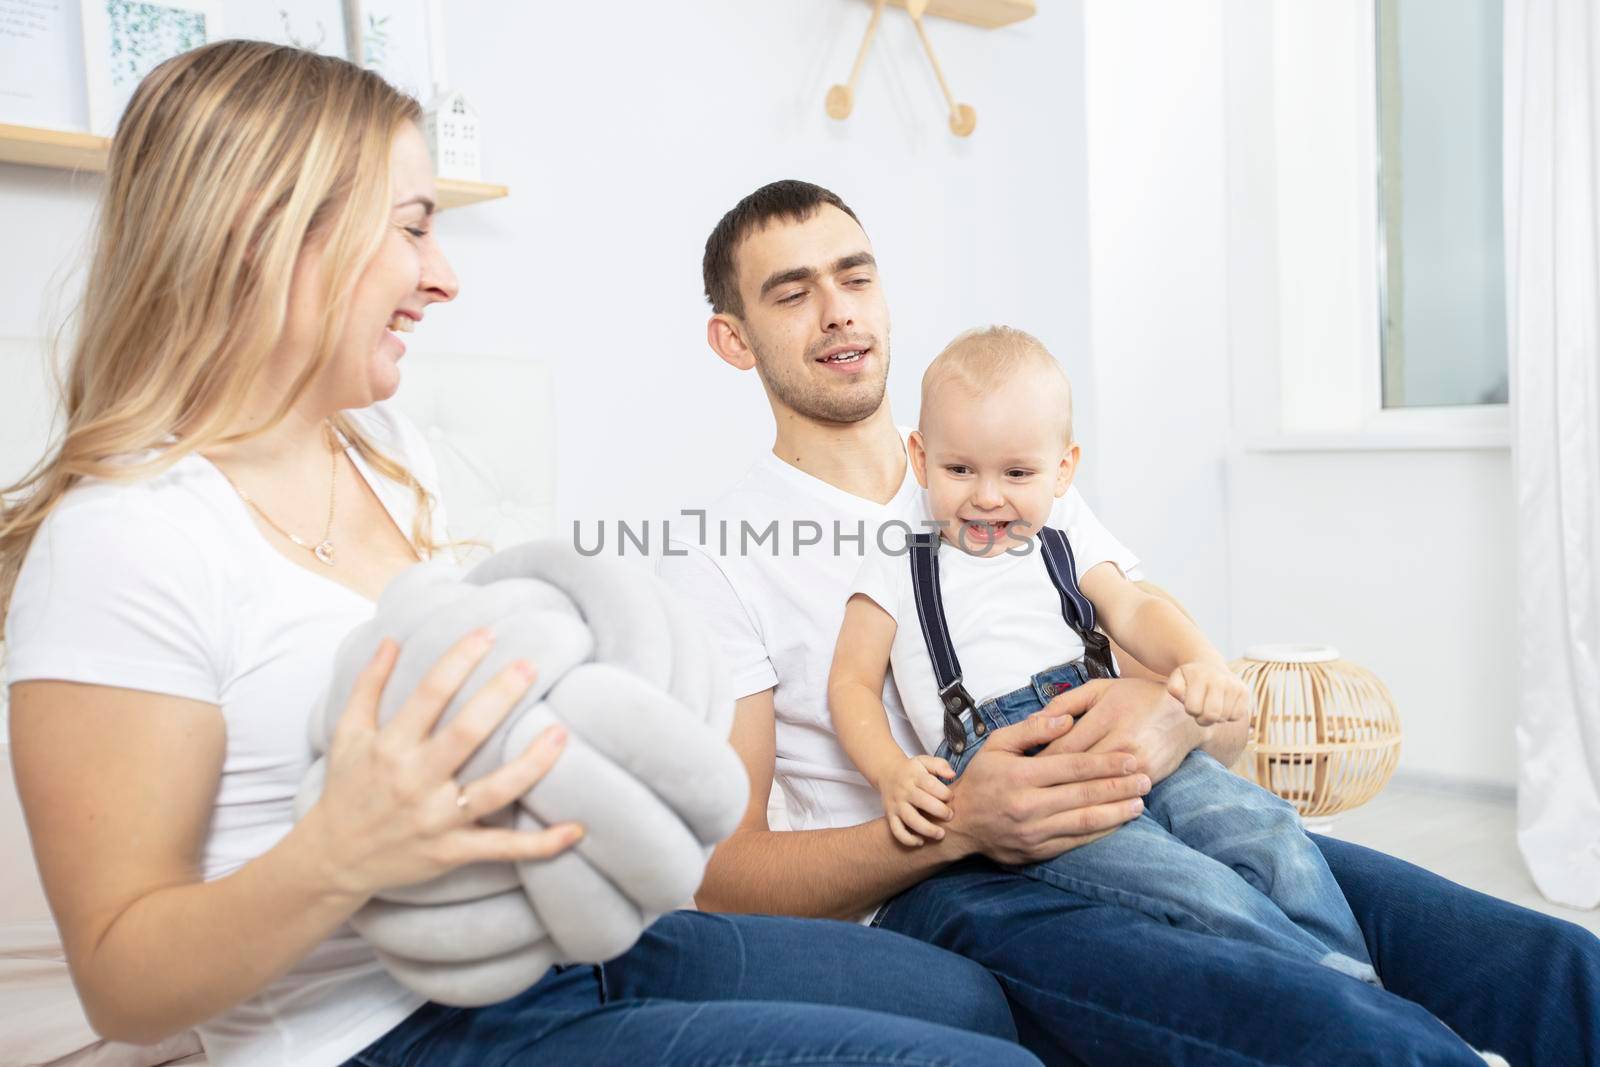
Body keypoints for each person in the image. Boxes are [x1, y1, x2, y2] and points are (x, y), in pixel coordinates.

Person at [0, 44, 1041, 1067]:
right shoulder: (123, 540)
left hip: (546, 947)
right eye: (412, 228)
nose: (443, 279)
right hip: (369, 1031)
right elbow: (122, 982)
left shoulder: (381, 454)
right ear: (273, 232)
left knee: (967, 996)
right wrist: (338, 853)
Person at [658, 178, 1600, 1065]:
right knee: (1338, 1022)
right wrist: (954, 827)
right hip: (947, 887)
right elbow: (721, 876)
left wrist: (1169, 716)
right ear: (733, 341)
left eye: (855, 275)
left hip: (1143, 807)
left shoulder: (999, 468)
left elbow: (1216, 711)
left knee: (1541, 956)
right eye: (792, 293)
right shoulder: (721, 559)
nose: (839, 310)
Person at [828, 324, 1379, 987]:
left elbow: (1132, 607)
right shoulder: (897, 550)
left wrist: (1201, 661)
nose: (986, 495)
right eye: (959, 469)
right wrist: (892, 772)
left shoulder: (1067, 525)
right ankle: (1362, 1013)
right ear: (920, 457)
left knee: (1269, 831)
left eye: (1018, 472)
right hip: (1024, 766)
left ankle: (1363, 993)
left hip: (1118, 722)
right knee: (1191, 888)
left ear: (1063, 469)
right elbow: (852, 684)